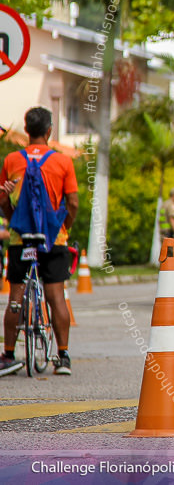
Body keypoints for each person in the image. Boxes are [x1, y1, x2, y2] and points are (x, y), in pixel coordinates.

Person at [0, 107, 79, 376]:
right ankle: (63, 356)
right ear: (49, 131)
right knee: (56, 296)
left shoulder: (11, 159)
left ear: (27, 130)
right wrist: (64, 227)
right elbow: (73, 203)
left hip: (22, 239)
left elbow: (2, 199)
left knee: (16, 296)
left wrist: (13, 222)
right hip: (52, 239)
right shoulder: (63, 162)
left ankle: (8, 355)